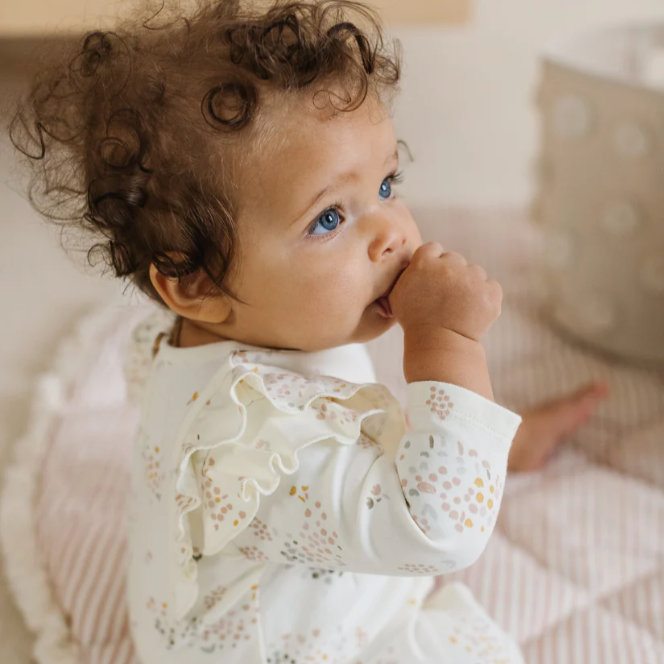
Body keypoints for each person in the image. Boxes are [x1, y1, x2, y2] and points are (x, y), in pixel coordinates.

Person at [9, 1, 606, 661]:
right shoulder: (257, 447)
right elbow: (438, 531)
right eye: (328, 219)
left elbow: (343, 427)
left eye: (386, 184)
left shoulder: (239, 340)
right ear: (196, 286)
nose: (390, 232)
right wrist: (450, 348)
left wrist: (484, 436)